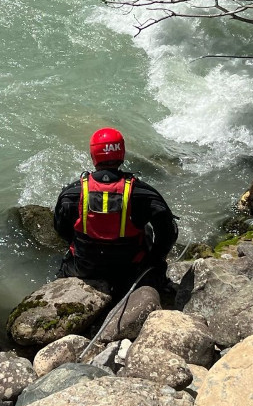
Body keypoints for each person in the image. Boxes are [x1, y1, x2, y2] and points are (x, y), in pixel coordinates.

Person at [53, 127, 178, 299]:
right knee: (147, 231)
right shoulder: (143, 193)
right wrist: (155, 258)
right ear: (122, 154)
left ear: (93, 155)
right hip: (131, 270)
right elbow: (169, 233)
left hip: (84, 269)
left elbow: (60, 228)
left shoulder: (72, 193)